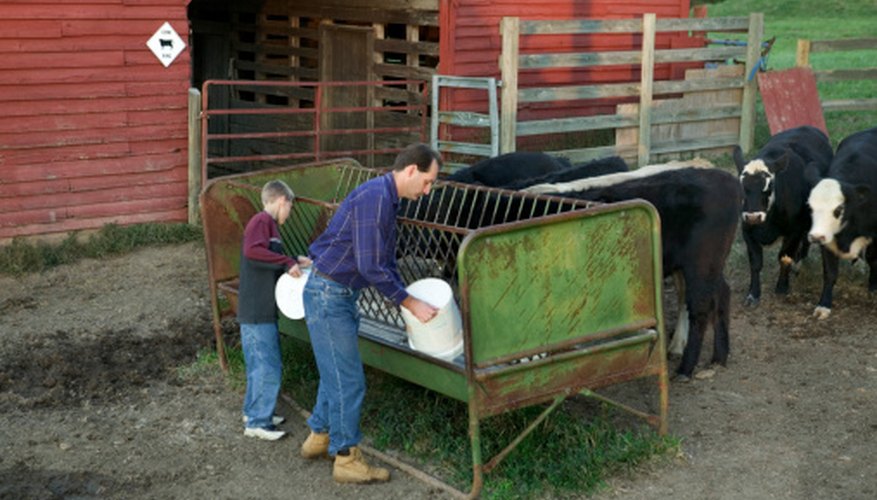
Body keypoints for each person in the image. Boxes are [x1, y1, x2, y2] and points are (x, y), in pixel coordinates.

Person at [299, 143, 441, 483]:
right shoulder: (376, 199)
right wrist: (409, 303)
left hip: (337, 292)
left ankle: (320, 435)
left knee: (335, 369)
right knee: (349, 380)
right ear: (410, 170)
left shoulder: (386, 198)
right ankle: (347, 458)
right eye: (427, 181)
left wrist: (405, 293)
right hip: (329, 294)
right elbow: (371, 266)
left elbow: (385, 262)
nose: (428, 190)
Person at [238, 180, 312, 441]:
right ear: (282, 200)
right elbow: (252, 252)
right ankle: (258, 423)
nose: (289, 214)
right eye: (290, 207)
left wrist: (294, 259)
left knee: (258, 363)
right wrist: (286, 261)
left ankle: (255, 412)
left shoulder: (266, 226)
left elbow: (268, 256)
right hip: (258, 309)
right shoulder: (262, 221)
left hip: (257, 307)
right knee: (267, 365)